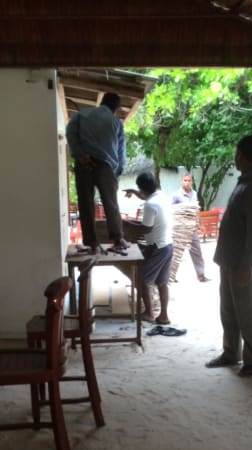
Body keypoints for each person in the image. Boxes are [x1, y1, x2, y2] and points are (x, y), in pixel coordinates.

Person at [206, 135, 252, 377]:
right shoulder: (245, 182)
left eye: (237, 154)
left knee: (247, 310)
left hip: (243, 262)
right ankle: (231, 352)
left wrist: (247, 265)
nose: (236, 158)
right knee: (229, 309)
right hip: (229, 259)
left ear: (241, 155)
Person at [66, 92, 128, 253]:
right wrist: (117, 172)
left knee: (86, 204)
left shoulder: (81, 115)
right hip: (106, 166)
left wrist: (79, 154)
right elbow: (121, 152)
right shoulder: (116, 122)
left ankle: (92, 243)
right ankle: (118, 239)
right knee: (111, 203)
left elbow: (70, 133)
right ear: (116, 109)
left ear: (101, 102)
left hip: (84, 163)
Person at [123, 172, 174, 325]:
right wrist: (134, 192)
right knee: (162, 282)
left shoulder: (150, 205)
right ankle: (164, 316)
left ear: (142, 189)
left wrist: (127, 226)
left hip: (157, 246)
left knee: (142, 280)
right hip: (167, 245)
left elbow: (146, 228)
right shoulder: (161, 196)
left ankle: (149, 314)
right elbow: (146, 196)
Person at [170, 174, 210, 283]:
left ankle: (201, 275)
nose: (187, 182)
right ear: (181, 181)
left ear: (192, 181)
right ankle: (171, 276)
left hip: (192, 228)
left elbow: (197, 211)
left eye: (189, 180)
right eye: (185, 180)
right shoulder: (176, 195)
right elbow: (171, 211)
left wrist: (200, 224)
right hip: (180, 229)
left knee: (197, 252)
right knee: (176, 253)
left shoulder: (194, 194)